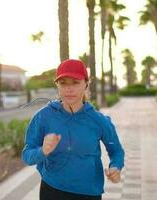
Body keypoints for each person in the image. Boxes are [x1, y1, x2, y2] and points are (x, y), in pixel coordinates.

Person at [22, 59, 125, 200]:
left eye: (75, 82)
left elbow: (116, 151)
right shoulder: (43, 117)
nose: (69, 89)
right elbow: (27, 154)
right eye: (63, 83)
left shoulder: (98, 120)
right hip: (52, 190)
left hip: (88, 192)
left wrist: (116, 167)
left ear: (86, 84)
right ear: (57, 85)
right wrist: (42, 151)